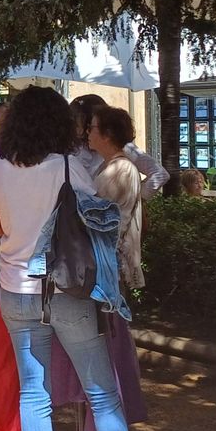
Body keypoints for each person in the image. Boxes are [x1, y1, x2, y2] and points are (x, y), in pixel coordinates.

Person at [0, 87, 187, 431]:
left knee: (33, 393)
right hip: (67, 291)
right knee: (101, 392)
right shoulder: (67, 167)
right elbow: (95, 221)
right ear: (58, 123)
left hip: (16, 291)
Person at [88, 106, 146, 292]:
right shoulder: (109, 166)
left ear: (107, 134)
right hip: (107, 257)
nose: (88, 133)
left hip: (111, 260)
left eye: (92, 128)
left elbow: (94, 211)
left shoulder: (121, 169)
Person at [70, 94, 168, 199]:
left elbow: (159, 174)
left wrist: (137, 197)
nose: (76, 128)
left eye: (79, 121)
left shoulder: (121, 148)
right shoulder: (72, 147)